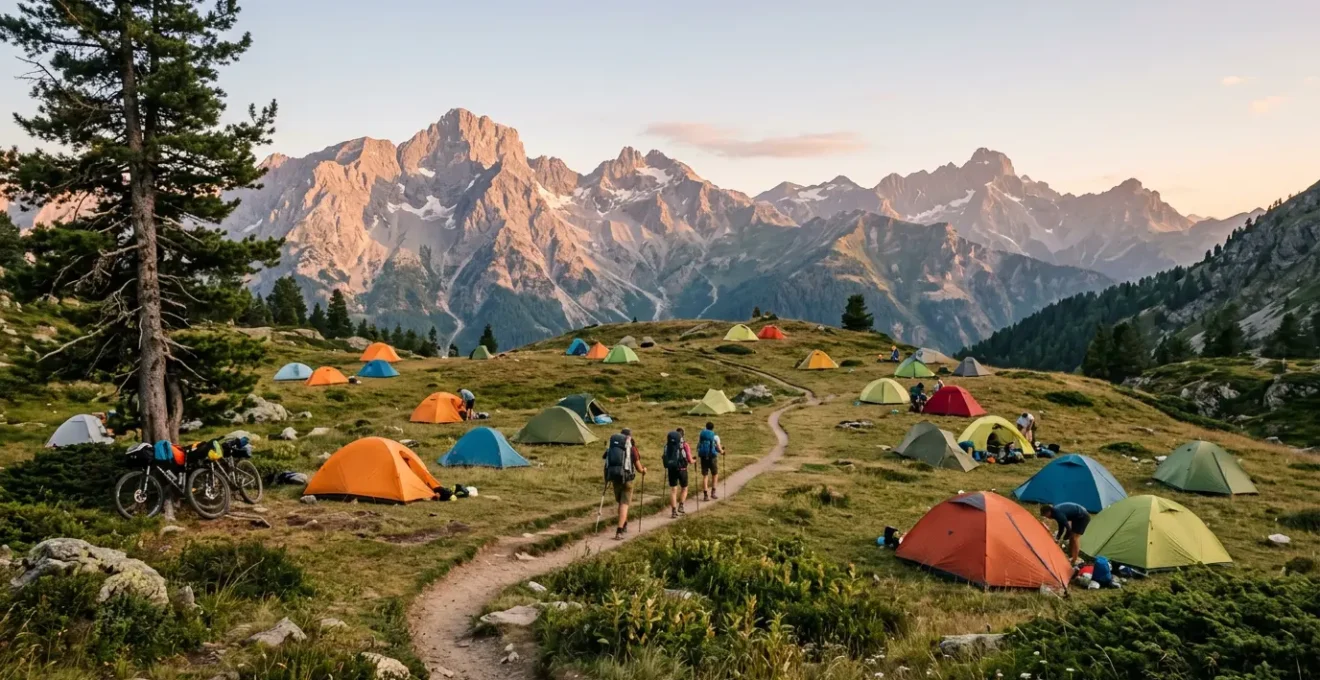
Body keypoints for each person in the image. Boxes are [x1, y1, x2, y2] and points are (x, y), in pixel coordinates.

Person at [603, 428, 646, 540]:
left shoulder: (612, 447)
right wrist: (643, 471)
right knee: (624, 504)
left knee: (620, 503)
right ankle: (619, 531)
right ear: (629, 437)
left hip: (615, 478)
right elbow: (638, 467)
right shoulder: (632, 449)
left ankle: (624, 523)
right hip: (627, 480)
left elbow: (606, 460)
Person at [663, 427, 691, 518]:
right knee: (684, 488)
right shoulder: (685, 445)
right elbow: (689, 459)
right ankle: (681, 506)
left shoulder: (667, 446)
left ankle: (673, 511)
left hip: (671, 469)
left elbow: (664, 457)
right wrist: (693, 461)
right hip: (682, 470)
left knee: (673, 490)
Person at [696, 422, 723, 500]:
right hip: (712, 457)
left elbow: (698, 446)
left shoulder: (702, 435)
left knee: (705, 476)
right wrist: (722, 452)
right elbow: (718, 447)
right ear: (713, 428)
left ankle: (705, 495)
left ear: (706, 427)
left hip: (703, 457)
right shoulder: (715, 436)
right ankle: (713, 493)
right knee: (715, 474)